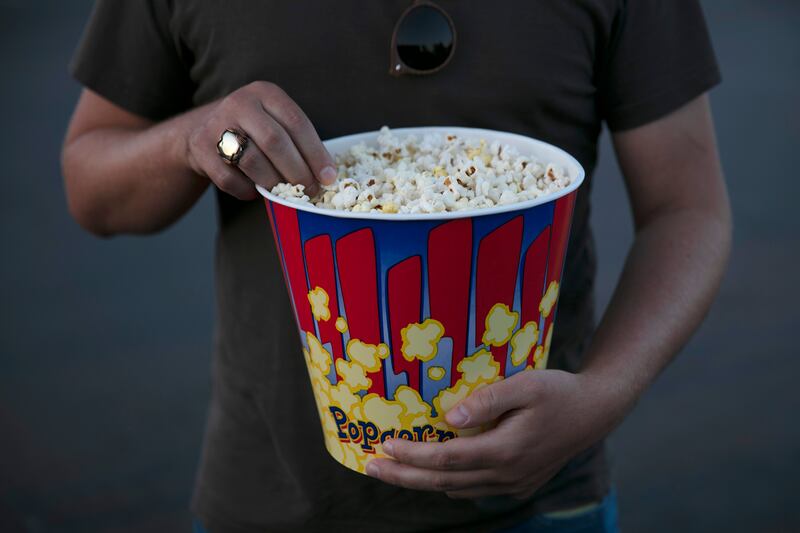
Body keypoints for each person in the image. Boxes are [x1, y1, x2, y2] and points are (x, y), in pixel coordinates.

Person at [61, 1, 731, 532]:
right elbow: (90, 185)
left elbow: (688, 207)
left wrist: (602, 396)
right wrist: (194, 137)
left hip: (542, 502)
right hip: (271, 500)